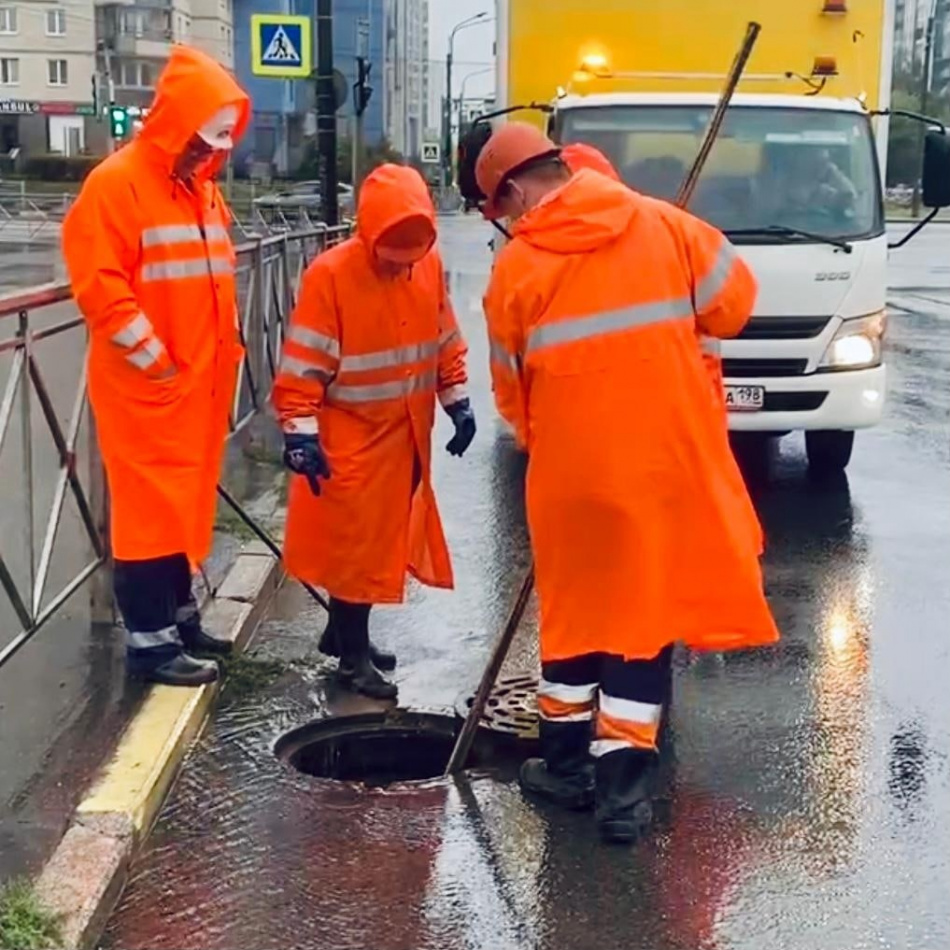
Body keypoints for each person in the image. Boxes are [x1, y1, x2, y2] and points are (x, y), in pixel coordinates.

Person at [476, 122, 780, 844]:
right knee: (640, 626)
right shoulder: (665, 225)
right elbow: (734, 307)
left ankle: (564, 770)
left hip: (572, 479)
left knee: (575, 620)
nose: (506, 223)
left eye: (500, 210)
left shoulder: (515, 271)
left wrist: (552, 444)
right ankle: (624, 803)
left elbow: (511, 395)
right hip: (662, 468)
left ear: (516, 191)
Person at [61, 46, 250, 687]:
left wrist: (216, 361)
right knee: (147, 515)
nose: (209, 154)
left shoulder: (200, 192)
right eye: (203, 141)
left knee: (182, 507)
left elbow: (216, 282)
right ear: (175, 125)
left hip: (195, 386)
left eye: (219, 144)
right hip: (150, 389)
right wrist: (160, 365)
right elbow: (102, 291)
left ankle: (179, 620)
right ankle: (150, 644)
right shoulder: (117, 186)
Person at [272, 164, 475, 700]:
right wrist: (301, 433)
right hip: (351, 434)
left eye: (411, 253)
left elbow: (443, 335)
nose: (401, 264)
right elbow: (305, 361)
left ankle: (344, 635)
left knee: (375, 542)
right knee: (356, 549)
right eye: (392, 252)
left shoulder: (426, 265)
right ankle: (353, 660)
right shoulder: (331, 275)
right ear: (369, 232)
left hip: (406, 432)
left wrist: (458, 402)